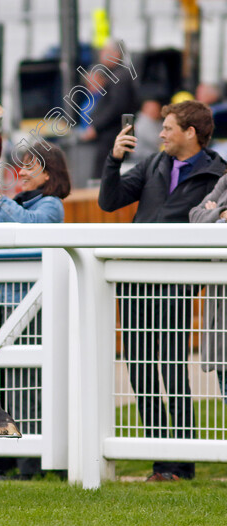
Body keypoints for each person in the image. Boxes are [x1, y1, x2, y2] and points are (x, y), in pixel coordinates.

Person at [100, 100, 227, 482]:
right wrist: (112, 161)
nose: (161, 134)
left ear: (190, 133)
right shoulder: (155, 164)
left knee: (173, 369)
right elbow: (110, 201)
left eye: (168, 128)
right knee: (139, 369)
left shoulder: (216, 173)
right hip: (136, 280)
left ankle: (182, 463)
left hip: (176, 282)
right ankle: (160, 461)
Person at [0, 142, 72, 479]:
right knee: (16, 383)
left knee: (30, 384)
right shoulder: (15, 204)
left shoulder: (51, 204)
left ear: (49, 173)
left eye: (31, 167)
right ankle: (26, 462)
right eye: (23, 167)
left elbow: (31, 229)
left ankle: (34, 465)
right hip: (10, 305)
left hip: (36, 305)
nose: (23, 173)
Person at [189, 172, 227, 403]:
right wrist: (221, 215)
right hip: (221, 315)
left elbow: (204, 216)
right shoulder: (225, 181)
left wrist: (213, 215)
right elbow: (195, 215)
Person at [80, 39, 139, 180]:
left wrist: (96, 127)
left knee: (102, 176)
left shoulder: (120, 77)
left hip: (113, 136)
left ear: (116, 54)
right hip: (113, 135)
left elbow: (116, 107)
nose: (101, 54)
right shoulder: (116, 75)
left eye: (105, 51)